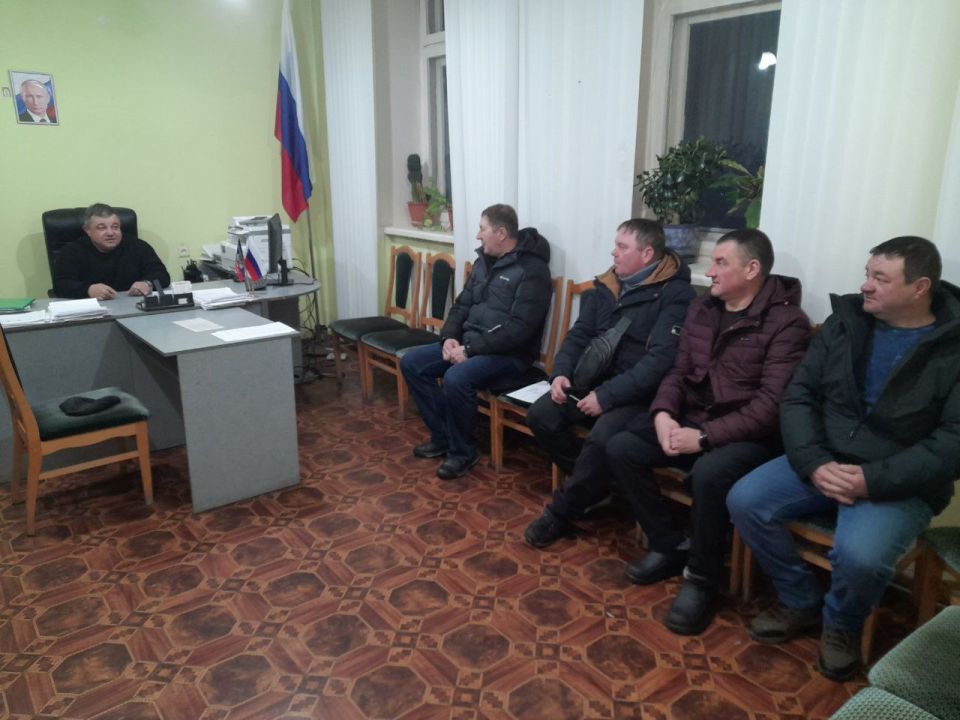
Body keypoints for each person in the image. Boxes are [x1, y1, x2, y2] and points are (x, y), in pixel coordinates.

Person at [541, 229, 808, 637]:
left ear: (752, 269)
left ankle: (702, 577)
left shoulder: (787, 324)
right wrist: (664, 413)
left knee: (709, 475)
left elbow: (770, 407)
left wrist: (703, 437)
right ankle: (668, 542)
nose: (710, 272)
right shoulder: (705, 308)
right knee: (622, 446)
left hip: (747, 434)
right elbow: (678, 371)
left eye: (721, 263)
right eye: (712, 262)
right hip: (691, 416)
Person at [728, 236, 960, 681]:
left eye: (880, 278)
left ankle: (842, 625)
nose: (865, 285)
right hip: (824, 458)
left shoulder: (952, 348)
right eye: (867, 274)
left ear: (920, 287)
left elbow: (953, 443)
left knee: (860, 556)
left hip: (898, 481)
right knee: (745, 499)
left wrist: (871, 480)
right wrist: (814, 462)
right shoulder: (846, 322)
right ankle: (799, 599)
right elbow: (798, 396)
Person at [523, 219, 694, 545]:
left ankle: (561, 513)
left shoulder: (676, 295)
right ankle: (598, 487)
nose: (613, 252)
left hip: (637, 394)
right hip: (591, 380)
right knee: (542, 415)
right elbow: (579, 334)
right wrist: (561, 373)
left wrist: (607, 396)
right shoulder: (608, 285)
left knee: (602, 438)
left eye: (621, 246)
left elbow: (659, 362)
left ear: (647, 254)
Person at [401, 204, 552, 479]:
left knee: (457, 377)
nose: (478, 235)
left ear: (501, 233)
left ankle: (463, 452)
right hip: (471, 344)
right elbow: (461, 305)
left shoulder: (533, 270)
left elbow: (518, 330)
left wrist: (469, 350)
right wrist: (449, 337)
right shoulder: (483, 262)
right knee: (412, 362)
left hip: (510, 356)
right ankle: (444, 436)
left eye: (482, 229)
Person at [52, 203, 171, 299]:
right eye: (102, 227)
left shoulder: (137, 246)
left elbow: (162, 275)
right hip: (92, 311)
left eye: (115, 227)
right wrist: (88, 290)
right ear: (87, 230)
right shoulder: (72, 251)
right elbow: (60, 285)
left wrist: (147, 284)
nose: (110, 233)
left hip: (133, 307)